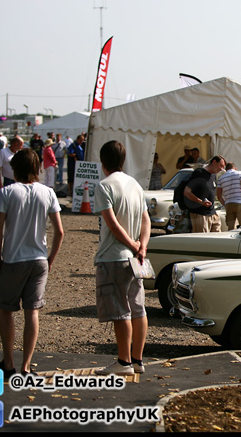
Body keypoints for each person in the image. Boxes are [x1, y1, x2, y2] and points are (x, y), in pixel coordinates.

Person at [0, 148, 64, 377]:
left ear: (15, 169)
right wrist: (50, 260)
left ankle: (8, 364)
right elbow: (59, 231)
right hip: (39, 260)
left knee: (6, 310)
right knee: (32, 312)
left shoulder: (7, 193)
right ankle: (26, 366)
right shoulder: (48, 193)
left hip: (14, 259)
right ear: (37, 168)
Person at [93, 140, 151, 376]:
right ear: (123, 160)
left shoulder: (104, 186)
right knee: (139, 308)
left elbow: (111, 222)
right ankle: (137, 359)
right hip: (137, 258)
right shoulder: (135, 184)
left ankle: (123, 362)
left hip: (114, 256)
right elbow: (146, 219)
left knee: (120, 311)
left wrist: (131, 243)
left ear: (103, 161)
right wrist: (142, 245)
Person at [184, 155, 226, 233]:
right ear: (214, 162)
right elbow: (187, 192)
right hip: (200, 214)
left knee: (218, 238)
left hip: (212, 213)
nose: (221, 169)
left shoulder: (213, 175)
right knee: (202, 240)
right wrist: (201, 202)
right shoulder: (199, 173)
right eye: (221, 166)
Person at [217, 162, 241, 230]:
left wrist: (225, 204)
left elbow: (219, 196)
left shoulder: (221, 178)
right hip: (240, 203)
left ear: (226, 169)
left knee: (230, 228)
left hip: (228, 204)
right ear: (235, 168)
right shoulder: (239, 174)